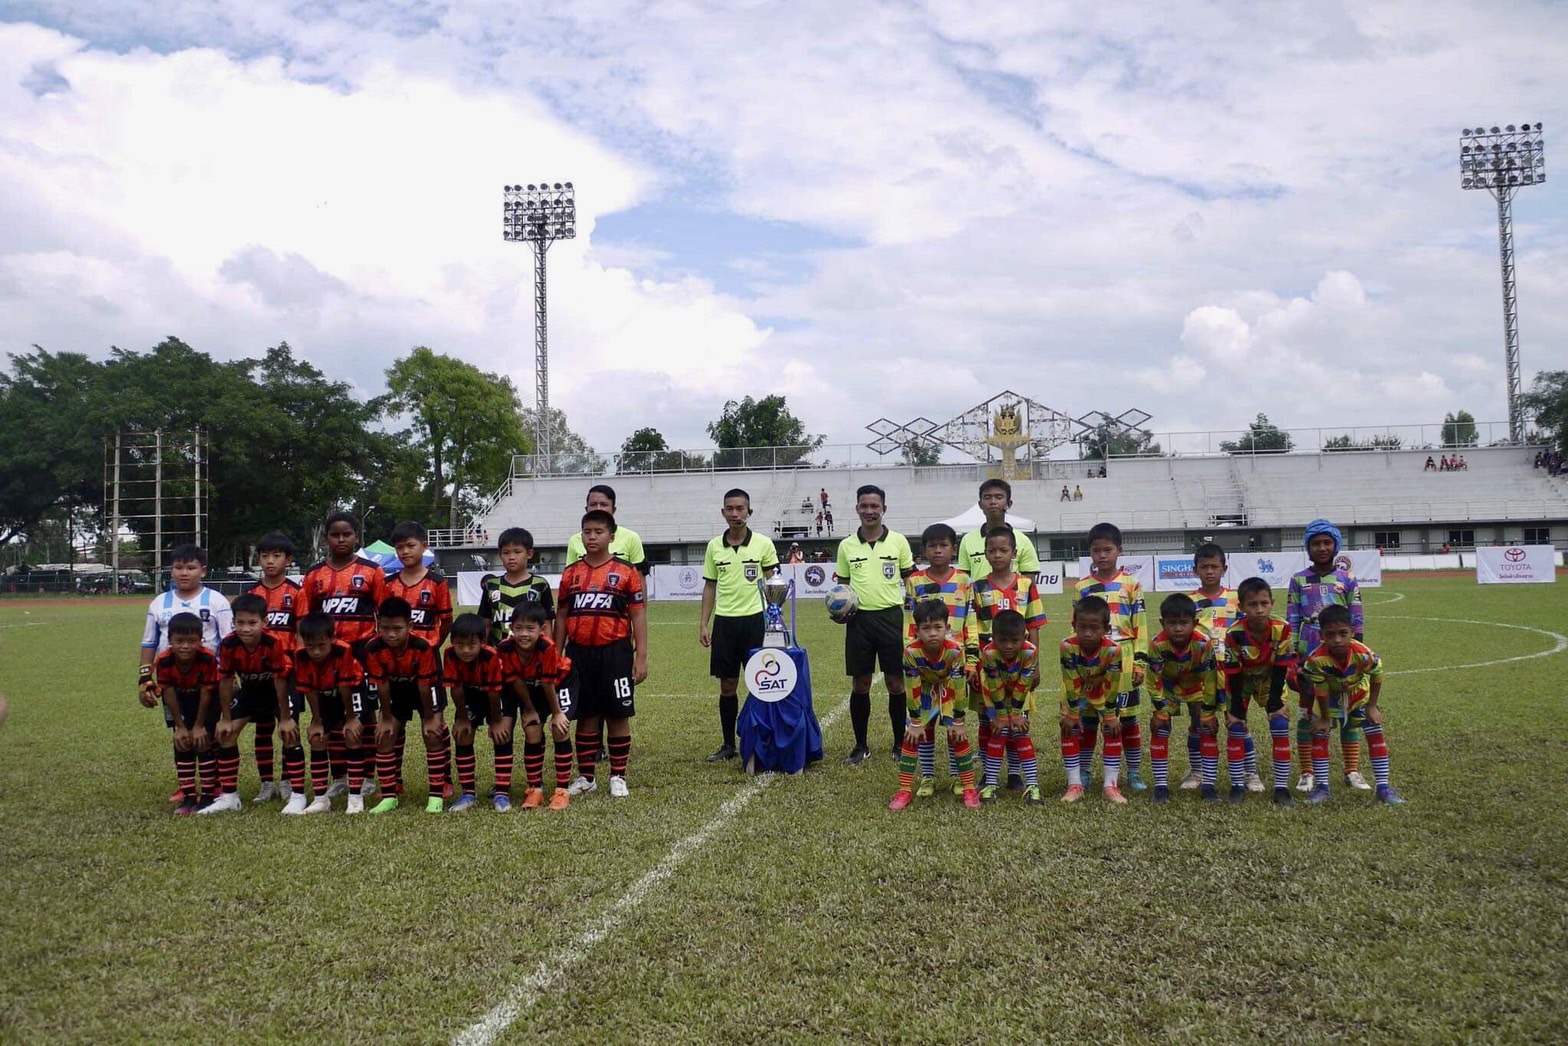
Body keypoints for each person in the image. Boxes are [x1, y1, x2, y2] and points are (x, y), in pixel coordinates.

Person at [556, 509, 648, 798]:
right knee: (586, 716)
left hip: (616, 653)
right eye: (587, 532)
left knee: (618, 714)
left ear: (611, 536)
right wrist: (556, 654)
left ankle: (618, 776)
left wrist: (641, 656)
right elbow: (561, 616)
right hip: (578, 654)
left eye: (598, 532)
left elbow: (638, 615)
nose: (592, 537)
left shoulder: (626, 571)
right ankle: (587, 777)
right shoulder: (570, 573)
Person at [138, 543, 232, 807]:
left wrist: (229, 676)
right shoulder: (159, 603)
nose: (184, 573)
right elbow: (149, 642)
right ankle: (186, 784)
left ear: (203, 570)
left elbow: (228, 641)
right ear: (171, 571)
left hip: (209, 681)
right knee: (180, 731)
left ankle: (214, 783)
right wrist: (144, 678)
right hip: (172, 682)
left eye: (191, 567)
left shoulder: (216, 601)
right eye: (179, 567)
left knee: (209, 733)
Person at [302, 512, 388, 798]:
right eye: (335, 535)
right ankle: (340, 776)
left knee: (366, 713)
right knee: (333, 715)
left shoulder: (372, 571)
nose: (341, 539)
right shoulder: (314, 575)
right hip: (325, 655)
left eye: (346, 534)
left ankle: (367, 775)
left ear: (356, 536)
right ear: (327, 538)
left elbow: (384, 614)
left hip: (362, 652)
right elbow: (308, 616)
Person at [833, 484, 915, 765]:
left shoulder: (899, 542)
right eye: (864, 506)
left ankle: (900, 744)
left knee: (895, 682)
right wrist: (838, 610)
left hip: (891, 618)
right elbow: (842, 588)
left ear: (884, 509)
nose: (869, 511)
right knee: (861, 683)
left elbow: (910, 581)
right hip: (859, 621)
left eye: (874, 506)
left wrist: (917, 615)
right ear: (857, 509)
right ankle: (860, 746)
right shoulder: (846, 546)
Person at [698, 488, 779, 762]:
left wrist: (774, 620)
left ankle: (764, 739)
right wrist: (704, 624)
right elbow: (710, 586)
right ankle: (728, 744)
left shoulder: (763, 544)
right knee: (728, 685)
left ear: (749, 512)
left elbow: (774, 584)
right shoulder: (714, 547)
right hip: (725, 624)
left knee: (762, 683)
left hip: (756, 621)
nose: (735, 514)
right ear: (723, 512)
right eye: (730, 509)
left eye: (740, 508)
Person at [1286, 519, 1366, 794]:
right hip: (1309, 649)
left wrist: (1356, 652)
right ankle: (1307, 771)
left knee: (1347, 709)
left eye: (1327, 543)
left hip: (1342, 651)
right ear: (1308, 547)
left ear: (1336, 545)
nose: (1322, 548)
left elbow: (1357, 618)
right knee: (1307, 710)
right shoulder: (1298, 579)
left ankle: (1352, 770)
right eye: (1316, 543)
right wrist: (1293, 657)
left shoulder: (1347, 579)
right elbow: (1292, 618)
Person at [1298, 605, 1403, 804]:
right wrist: (1325, 718)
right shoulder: (1316, 660)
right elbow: (1321, 689)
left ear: (1352, 632)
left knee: (1375, 729)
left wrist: (1372, 706)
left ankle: (1383, 788)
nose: (1337, 640)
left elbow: (1377, 675)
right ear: (1321, 635)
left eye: (1343, 633)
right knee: (1320, 732)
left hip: (1358, 696)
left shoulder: (1363, 654)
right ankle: (1322, 787)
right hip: (1329, 699)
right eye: (1330, 635)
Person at [1072, 522, 1148, 792]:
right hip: (1092, 661)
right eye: (1096, 550)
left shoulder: (1132, 585)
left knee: (1127, 720)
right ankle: (1084, 771)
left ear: (1119, 551)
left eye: (1108, 550)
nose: (1102, 555)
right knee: (1089, 719)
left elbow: (1140, 626)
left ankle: (1134, 772)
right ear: (1090, 553)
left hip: (1124, 659)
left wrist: (1139, 662)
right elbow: (1075, 627)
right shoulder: (1082, 587)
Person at [969, 524, 1047, 789]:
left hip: (1020, 666)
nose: (998, 555)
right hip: (987, 666)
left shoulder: (1026, 585)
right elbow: (972, 627)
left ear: (1014, 553)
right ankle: (987, 771)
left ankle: (1014, 773)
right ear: (985, 553)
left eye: (1003, 550)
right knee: (986, 719)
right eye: (992, 550)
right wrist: (974, 664)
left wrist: (1035, 665)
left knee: (1018, 718)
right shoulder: (978, 587)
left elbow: (1034, 625)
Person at [207, 593, 296, 815]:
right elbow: (226, 681)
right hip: (250, 690)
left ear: (264, 622)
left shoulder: (273, 642)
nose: (245, 629)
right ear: (233, 622)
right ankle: (230, 796)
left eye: (252, 623)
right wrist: (225, 718)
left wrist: (285, 718)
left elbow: (280, 679)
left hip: (276, 690)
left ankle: (294, 790)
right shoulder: (228, 644)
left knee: (289, 732)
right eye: (240, 623)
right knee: (226, 734)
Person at [904, 522, 976, 796]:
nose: (937, 550)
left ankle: (958, 777)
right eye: (932, 546)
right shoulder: (915, 581)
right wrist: (910, 654)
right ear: (924, 550)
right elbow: (909, 622)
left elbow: (971, 621)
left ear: (953, 549)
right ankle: (928, 777)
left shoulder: (964, 581)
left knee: (954, 723)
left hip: (954, 664)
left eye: (943, 545)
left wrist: (971, 658)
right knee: (925, 723)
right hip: (923, 665)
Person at [889, 600, 980, 810]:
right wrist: (915, 722)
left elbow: (959, 686)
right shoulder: (911, 652)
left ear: (947, 628)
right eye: (926, 628)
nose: (932, 633)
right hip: (924, 689)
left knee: (958, 735)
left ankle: (968, 787)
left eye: (938, 627)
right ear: (916, 630)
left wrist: (959, 720)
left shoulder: (955, 651)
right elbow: (911, 687)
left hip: (948, 688)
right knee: (912, 736)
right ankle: (906, 789)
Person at [386, 520, 455, 793]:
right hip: (395, 664)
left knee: (435, 723)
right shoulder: (388, 584)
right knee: (395, 723)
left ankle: (443, 780)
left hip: (427, 663)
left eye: (410, 545)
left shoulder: (437, 582)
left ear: (424, 546)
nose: (405, 551)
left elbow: (446, 621)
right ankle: (395, 781)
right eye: (399, 547)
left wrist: (432, 645)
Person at [363, 597, 447, 815]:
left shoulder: (423, 647)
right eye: (385, 628)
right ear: (377, 625)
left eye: (397, 629)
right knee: (384, 735)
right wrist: (385, 718)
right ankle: (389, 796)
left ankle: (436, 795)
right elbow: (382, 685)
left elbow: (424, 685)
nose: (391, 634)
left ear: (410, 626)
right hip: (396, 690)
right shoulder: (372, 648)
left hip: (425, 689)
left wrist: (429, 718)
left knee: (432, 733)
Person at [1223, 577, 1298, 807]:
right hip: (1242, 680)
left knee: (1279, 723)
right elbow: (1233, 674)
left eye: (1264, 603)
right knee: (1235, 726)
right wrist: (1236, 709)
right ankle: (1237, 786)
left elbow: (1281, 668)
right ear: (1241, 607)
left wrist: (1276, 703)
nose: (1259, 609)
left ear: (1272, 603)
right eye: (1252, 604)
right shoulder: (1234, 633)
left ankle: (1281, 788)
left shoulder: (1282, 628)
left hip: (1269, 679)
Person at [291, 613, 375, 814]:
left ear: (332, 638)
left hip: (352, 690)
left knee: (352, 734)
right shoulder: (300, 655)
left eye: (322, 645)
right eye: (310, 646)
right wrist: (317, 720)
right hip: (325, 692)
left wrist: (351, 718)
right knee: (317, 737)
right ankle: (321, 799)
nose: (316, 651)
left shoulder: (343, 650)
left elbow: (346, 687)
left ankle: (355, 797)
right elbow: (309, 690)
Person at [1146, 593, 1223, 804]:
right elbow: (1153, 680)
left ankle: (1208, 785)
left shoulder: (1203, 644)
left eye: (1183, 623)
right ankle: (1160, 787)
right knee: (1160, 727)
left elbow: (1210, 679)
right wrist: (1161, 711)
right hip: (1168, 687)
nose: (1178, 628)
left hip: (1196, 685)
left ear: (1194, 623)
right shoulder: (1157, 644)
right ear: (1162, 623)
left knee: (1204, 725)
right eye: (1172, 623)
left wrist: (1208, 713)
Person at [247, 531, 304, 803]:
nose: (270, 561)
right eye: (265, 556)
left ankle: (288, 780)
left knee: (289, 726)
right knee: (263, 727)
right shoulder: (252, 594)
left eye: (276, 556)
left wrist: (300, 664)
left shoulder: (296, 592)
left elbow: (301, 631)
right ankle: (266, 782)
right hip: (259, 672)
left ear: (288, 560)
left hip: (289, 670)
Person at [502, 602, 575, 810]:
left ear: (541, 629)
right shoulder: (505, 648)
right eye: (518, 628)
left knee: (559, 728)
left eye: (530, 628)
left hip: (561, 683)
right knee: (532, 728)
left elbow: (548, 682)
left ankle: (562, 790)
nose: (524, 634)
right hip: (532, 686)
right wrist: (530, 709)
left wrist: (557, 713)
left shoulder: (547, 647)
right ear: (511, 627)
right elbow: (516, 680)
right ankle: (535, 789)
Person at [444, 612, 515, 813]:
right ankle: (468, 793)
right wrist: (462, 718)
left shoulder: (490, 656)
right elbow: (456, 688)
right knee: (462, 735)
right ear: (452, 642)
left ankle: (501, 793)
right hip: (470, 694)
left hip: (497, 694)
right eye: (460, 644)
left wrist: (496, 721)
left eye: (471, 645)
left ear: (483, 642)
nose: (465, 650)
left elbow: (494, 692)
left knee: (502, 735)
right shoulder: (449, 654)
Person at [152, 612, 222, 815]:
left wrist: (199, 725)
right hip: (180, 702)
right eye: (179, 641)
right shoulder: (164, 660)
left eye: (192, 641)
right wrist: (180, 727)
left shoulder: (207, 658)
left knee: (203, 743)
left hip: (207, 702)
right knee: (182, 744)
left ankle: (208, 796)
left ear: (201, 640)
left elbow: (207, 692)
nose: (185, 646)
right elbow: (168, 693)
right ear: (170, 640)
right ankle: (189, 796)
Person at [1058, 596, 1125, 803]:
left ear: (1106, 628)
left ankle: (1110, 786)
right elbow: (1070, 680)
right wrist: (1072, 712)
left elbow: (1112, 683)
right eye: (1082, 627)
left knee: (1112, 730)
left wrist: (1110, 715)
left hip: (1103, 694)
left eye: (1094, 628)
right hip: (1076, 694)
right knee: (1070, 728)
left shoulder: (1113, 650)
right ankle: (1074, 784)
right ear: (1074, 625)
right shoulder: (1067, 646)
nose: (1087, 633)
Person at [1186, 542, 1242, 791]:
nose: (1209, 571)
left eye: (1214, 567)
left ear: (1224, 569)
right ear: (1195, 570)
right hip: (1199, 673)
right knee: (1198, 720)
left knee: (1237, 720)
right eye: (1204, 567)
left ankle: (1248, 772)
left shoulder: (1236, 600)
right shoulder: (1189, 602)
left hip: (1230, 671)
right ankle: (1197, 770)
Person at [977, 610, 1042, 805]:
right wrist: (1002, 716)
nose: (1008, 646)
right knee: (999, 732)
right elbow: (994, 685)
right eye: (1002, 640)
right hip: (993, 693)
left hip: (1018, 692)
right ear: (993, 637)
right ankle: (990, 784)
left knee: (1020, 731)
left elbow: (1024, 684)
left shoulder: (1030, 652)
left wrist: (1014, 714)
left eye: (1015, 640)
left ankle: (1032, 785)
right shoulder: (989, 653)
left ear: (1025, 637)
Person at [477, 527, 555, 645]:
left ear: (529, 554)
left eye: (517, 552)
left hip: (531, 653)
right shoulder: (491, 585)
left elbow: (547, 624)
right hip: (499, 652)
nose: (511, 557)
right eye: (506, 552)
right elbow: (485, 624)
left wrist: (549, 650)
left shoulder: (540, 585)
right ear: (500, 555)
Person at [958, 479, 1040, 583]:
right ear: (980, 504)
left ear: (1009, 503)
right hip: (978, 594)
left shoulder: (1023, 541)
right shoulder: (967, 540)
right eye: (987, 497)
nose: (993, 502)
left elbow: (1028, 583)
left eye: (999, 497)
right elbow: (964, 580)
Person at [565, 484, 647, 570]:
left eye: (603, 504)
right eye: (593, 504)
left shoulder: (631, 538)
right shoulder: (574, 540)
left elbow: (639, 576)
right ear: (586, 509)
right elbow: (570, 573)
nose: (598, 508)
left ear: (613, 509)